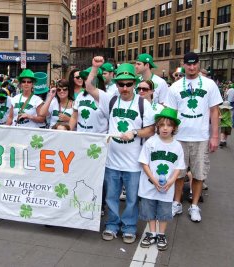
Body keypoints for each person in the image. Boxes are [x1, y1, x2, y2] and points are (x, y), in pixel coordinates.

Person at [90, 59, 155, 244]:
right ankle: (112, 225)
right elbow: (89, 87)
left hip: (134, 162)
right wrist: (95, 67)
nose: (125, 88)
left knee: (132, 199)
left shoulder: (143, 104)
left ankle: (129, 227)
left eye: (128, 84)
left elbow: (150, 130)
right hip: (112, 160)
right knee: (111, 197)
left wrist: (134, 132)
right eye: (121, 84)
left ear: (134, 83)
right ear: (116, 84)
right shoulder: (110, 99)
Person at [165, 52, 222, 222]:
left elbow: (214, 111)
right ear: (184, 64)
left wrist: (214, 136)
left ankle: (194, 205)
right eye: (188, 64)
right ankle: (176, 203)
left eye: (194, 64)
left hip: (200, 137)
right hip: (179, 137)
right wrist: (168, 135)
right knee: (179, 174)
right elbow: (171, 113)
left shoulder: (209, 84)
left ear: (198, 64)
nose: (191, 67)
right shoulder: (175, 87)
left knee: (198, 174)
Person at [138, 108, 185, 251]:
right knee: (149, 210)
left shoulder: (177, 146)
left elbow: (178, 167)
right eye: (162, 125)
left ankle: (161, 234)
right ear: (157, 126)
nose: (165, 128)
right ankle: (152, 233)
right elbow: (144, 163)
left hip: (166, 187)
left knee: (164, 212)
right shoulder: (151, 142)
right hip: (149, 185)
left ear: (174, 128)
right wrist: (153, 179)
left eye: (169, 125)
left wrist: (171, 182)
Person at [69, 65, 110, 133]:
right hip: (81, 137)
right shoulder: (81, 95)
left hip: (98, 139)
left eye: (90, 78)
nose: (87, 81)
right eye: (85, 79)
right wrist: (67, 133)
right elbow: (74, 117)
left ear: (98, 80)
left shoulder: (106, 96)